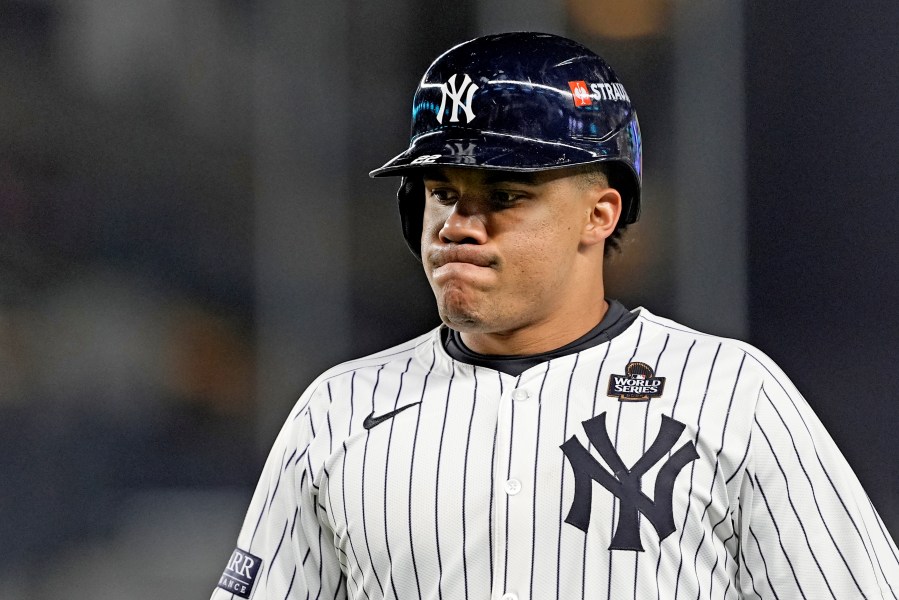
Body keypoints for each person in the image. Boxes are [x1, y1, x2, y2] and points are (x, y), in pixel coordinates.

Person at [212, 32, 899, 599]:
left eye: (504, 194)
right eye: (441, 191)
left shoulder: (731, 394)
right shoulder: (338, 410)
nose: (456, 224)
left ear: (599, 214)